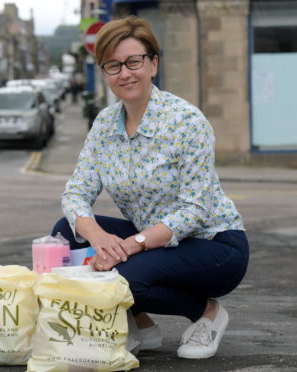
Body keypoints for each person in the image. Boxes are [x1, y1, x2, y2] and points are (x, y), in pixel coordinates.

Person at [52, 16, 248, 360]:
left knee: (123, 274)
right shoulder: (104, 124)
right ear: (105, 72)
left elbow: (193, 211)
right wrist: (98, 237)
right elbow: (76, 193)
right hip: (152, 243)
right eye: (113, 65)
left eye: (133, 61)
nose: (124, 73)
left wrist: (129, 246)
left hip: (213, 243)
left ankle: (206, 313)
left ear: (153, 63)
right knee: (65, 234)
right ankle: (139, 323)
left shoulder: (186, 121)